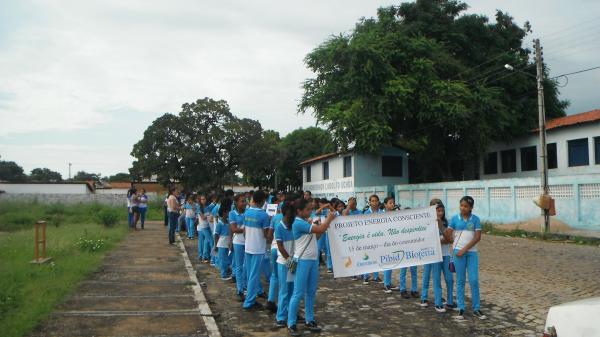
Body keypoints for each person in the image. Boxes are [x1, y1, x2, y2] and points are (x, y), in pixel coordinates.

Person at [287, 198, 336, 336]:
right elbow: (320, 228)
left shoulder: (305, 222)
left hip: (312, 260)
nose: (310, 212)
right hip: (302, 261)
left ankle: (310, 319)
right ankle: (291, 323)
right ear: (299, 211)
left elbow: (317, 236)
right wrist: (328, 220)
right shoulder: (298, 223)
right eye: (307, 209)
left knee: (311, 291)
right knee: (298, 293)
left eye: (310, 209)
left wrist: (322, 225)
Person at [448, 196, 486, 320]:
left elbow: (477, 237)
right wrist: (452, 246)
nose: (463, 208)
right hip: (458, 253)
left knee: (474, 280)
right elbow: (448, 234)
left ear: (471, 208)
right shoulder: (454, 219)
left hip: (471, 253)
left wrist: (464, 249)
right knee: (460, 281)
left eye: (465, 206)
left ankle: (476, 308)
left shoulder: (475, 220)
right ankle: (461, 308)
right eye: (461, 205)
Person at [420, 199, 455, 312]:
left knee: (449, 279)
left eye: (441, 210)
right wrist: (442, 239)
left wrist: (441, 229)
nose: (440, 213)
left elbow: (450, 239)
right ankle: (437, 303)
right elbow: (427, 240)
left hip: (445, 254)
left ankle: (450, 302)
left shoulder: (446, 222)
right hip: (433, 255)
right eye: (437, 210)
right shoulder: (426, 223)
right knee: (434, 279)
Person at [242, 190, 271, 311]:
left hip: (248, 246)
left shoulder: (247, 212)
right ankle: (249, 302)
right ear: (263, 200)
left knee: (250, 274)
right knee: (254, 275)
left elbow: (244, 231)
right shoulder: (263, 215)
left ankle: (250, 299)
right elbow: (266, 235)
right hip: (258, 248)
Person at [274, 196, 297, 328]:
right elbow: (281, 247)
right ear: (285, 212)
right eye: (291, 212)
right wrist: (289, 261)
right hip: (284, 262)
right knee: (284, 291)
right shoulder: (279, 227)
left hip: (294, 261)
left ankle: (291, 313)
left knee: (293, 290)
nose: (293, 215)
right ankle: (280, 317)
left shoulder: (294, 225)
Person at [229, 194, 247, 301]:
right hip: (238, 242)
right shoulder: (232, 214)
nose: (244, 203)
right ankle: (240, 290)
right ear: (236, 202)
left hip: (249, 242)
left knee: (246, 266)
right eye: (242, 201)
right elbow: (233, 229)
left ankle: (245, 286)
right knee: (239, 266)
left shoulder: (248, 213)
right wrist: (230, 240)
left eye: (245, 201)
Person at [362, 194, 382, 284]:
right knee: (367, 257)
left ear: (378, 202)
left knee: (377, 256)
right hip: (368, 238)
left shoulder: (382, 212)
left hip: (379, 238)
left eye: (376, 201)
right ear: (369, 202)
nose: (374, 202)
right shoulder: (366, 213)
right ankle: (366, 276)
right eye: (372, 201)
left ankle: (376, 276)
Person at [214, 198, 233, 280]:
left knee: (228, 259)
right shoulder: (220, 224)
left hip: (227, 243)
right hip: (221, 244)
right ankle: (223, 274)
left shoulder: (229, 222)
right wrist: (215, 245)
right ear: (224, 213)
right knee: (223, 260)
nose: (229, 213)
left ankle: (227, 271)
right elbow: (216, 235)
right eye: (228, 212)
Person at [382, 196, 397, 293]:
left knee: (392, 263)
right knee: (387, 262)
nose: (392, 205)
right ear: (385, 205)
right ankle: (386, 284)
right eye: (390, 203)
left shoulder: (396, 214)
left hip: (394, 241)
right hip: (384, 241)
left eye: (393, 203)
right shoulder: (381, 215)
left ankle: (389, 282)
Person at [197, 195, 212, 262]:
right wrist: (208, 216)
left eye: (204, 199)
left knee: (206, 241)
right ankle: (211, 257)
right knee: (210, 241)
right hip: (203, 227)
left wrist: (208, 216)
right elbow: (203, 217)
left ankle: (205, 256)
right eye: (202, 199)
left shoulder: (208, 207)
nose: (203, 200)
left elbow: (210, 216)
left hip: (208, 226)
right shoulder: (199, 208)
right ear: (200, 200)